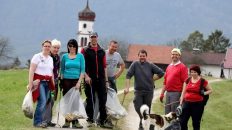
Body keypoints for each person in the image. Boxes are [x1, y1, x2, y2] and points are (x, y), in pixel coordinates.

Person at [124, 49, 164, 130]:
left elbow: (161, 73)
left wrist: (152, 79)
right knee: (137, 106)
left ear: (146, 57)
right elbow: (128, 75)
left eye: (144, 56)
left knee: (147, 109)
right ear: (138, 56)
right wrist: (127, 88)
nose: (142, 57)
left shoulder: (150, 65)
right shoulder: (135, 64)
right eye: (140, 56)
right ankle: (149, 122)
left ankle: (143, 126)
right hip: (138, 91)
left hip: (149, 91)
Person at [81, 32, 113, 129]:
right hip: (89, 79)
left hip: (101, 79)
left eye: (95, 37)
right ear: (89, 38)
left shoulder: (102, 51)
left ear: (97, 38)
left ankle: (102, 120)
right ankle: (90, 120)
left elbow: (104, 67)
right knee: (90, 99)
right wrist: (86, 76)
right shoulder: (85, 50)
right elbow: (82, 66)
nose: (93, 39)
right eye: (92, 37)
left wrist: (106, 81)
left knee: (103, 100)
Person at [28, 40, 55, 128]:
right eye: (45, 46)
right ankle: (37, 122)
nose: (47, 48)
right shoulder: (37, 56)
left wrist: (53, 84)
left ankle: (41, 121)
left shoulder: (50, 59)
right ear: (42, 47)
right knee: (42, 101)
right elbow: (31, 70)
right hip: (39, 82)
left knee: (44, 102)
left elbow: (51, 72)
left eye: (48, 46)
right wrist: (30, 83)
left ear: (50, 48)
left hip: (48, 83)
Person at [60, 39, 85, 128]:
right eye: (70, 46)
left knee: (75, 102)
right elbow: (62, 70)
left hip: (76, 81)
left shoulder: (80, 56)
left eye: (74, 46)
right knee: (67, 101)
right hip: (66, 81)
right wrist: (61, 82)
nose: (72, 48)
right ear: (68, 47)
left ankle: (75, 121)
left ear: (76, 47)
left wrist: (79, 82)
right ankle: (67, 121)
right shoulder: (64, 56)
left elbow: (82, 71)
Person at [179, 65, 212, 130]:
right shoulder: (187, 80)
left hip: (198, 105)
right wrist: (180, 103)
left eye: (195, 72)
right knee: (183, 122)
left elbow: (210, 90)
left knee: (196, 123)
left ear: (198, 72)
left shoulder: (203, 81)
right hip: (186, 104)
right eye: (191, 72)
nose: (193, 73)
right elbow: (183, 92)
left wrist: (203, 93)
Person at [159, 48, 188, 114]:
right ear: (171, 55)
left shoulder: (182, 67)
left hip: (176, 93)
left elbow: (185, 82)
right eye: (173, 54)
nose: (174, 56)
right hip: (168, 93)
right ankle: (169, 124)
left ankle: (175, 124)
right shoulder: (169, 66)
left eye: (176, 54)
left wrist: (182, 96)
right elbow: (165, 82)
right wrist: (162, 93)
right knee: (167, 113)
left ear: (179, 56)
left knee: (174, 114)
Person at [42, 39, 61, 127]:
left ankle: (49, 120)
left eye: (58, 48)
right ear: (50, 47)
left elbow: (58, 69)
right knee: (47, 100)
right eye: (54, 47)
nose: (56, 49)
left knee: (52, 100)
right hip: (47, 81)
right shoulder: (47, 57)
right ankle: (44, 121)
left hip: (55, 81)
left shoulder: (57, 57)